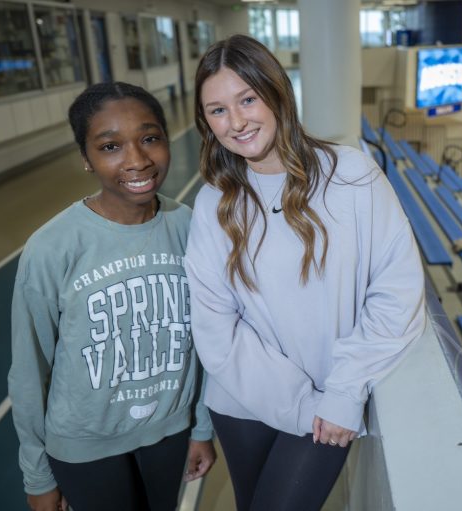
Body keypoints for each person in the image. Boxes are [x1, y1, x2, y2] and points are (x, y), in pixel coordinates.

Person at [186, 34, 427, 511]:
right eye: (217, 110)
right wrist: (305, 405)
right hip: (244, 404)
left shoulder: (352, 175)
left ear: (276, 93)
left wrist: (342, 391)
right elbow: (215, 327)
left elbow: (396, 290)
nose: (235, 122)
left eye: (247, 99)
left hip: (328, 403)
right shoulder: (214, 203)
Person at [8, 82, 216, 511]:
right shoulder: (51, 248)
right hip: (85, 445)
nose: (137, 159)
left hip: (169, 430)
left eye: (149, 138)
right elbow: (30, 370)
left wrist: (200, 428)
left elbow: (209, 338)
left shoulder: (188, 226)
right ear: (86, 159)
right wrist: (37, 473)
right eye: (110, 146)